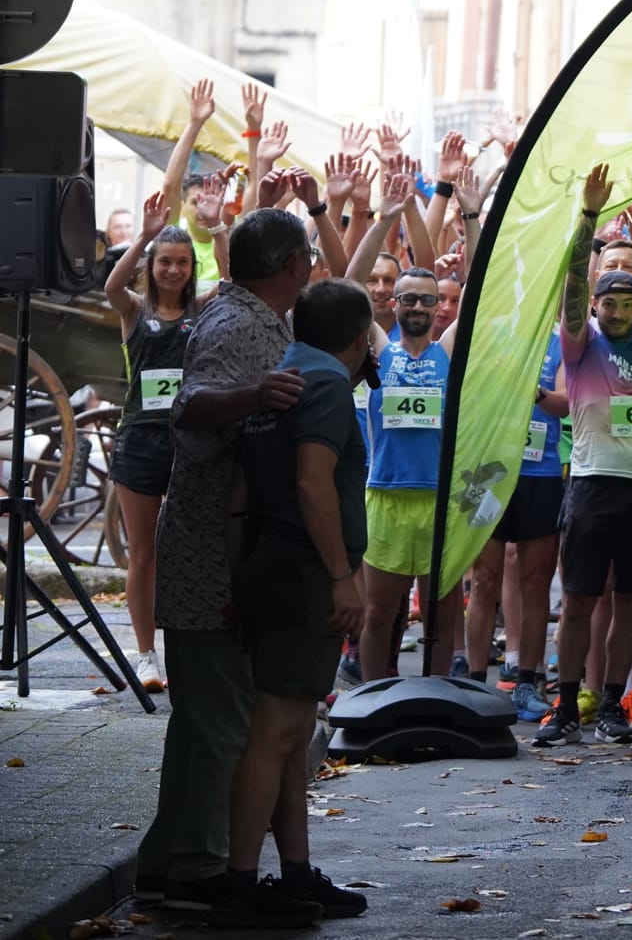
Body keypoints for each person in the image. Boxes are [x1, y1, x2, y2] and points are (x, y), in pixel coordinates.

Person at [138, 205, 313, 914]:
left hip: (215, 546)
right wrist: (255, 394)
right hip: (209, 552)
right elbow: (192, 405)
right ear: (289, 265)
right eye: (305, 254)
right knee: (222, 722)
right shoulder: (240, 322)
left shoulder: (246, 313)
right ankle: (200, 870)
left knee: (204, 717)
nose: (310, 265)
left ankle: (165, 861)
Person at [223, 278, 375, 925]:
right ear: (361, 335)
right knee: (277, 730)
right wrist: (343, 576)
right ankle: (239, 883)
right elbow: (314, 483)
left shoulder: (288, 366)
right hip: (303, 570)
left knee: (287, 732)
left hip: (273, 562)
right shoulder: (328, 383)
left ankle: (294, 873)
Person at [544, 165, 632, 748]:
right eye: (606, 301)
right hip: (591, 485)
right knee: (579, 601)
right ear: (594, 307)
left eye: (626, 302)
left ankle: (616, 702)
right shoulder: (581, 343)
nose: (615, 310)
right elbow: (570, 291)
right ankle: (566, 706)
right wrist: (588, 219)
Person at [344, 168, 482, 681]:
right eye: (410, 299)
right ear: (394, 305)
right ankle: (376, 693)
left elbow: (480, 283)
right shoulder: (379, 349)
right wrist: (384, 218)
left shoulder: (449, 350)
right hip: (384, 496)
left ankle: (439, 693)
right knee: (379, 612)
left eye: (428, 299)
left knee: (445, 614)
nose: (420, 306)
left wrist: (469, 213)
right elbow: (351, 282)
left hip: (440, 499)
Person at [103, 190, 204, 692]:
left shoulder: (203, 310)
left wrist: (219, 228)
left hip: (189, 443)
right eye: (165, 261)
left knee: (189, 549)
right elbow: (111, 285)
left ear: (191, 267)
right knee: (142, 553)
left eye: (182, 262)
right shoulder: (135, 310)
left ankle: (190, 650)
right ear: (153, 265)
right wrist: (143, 233)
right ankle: (146, 656)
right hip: (139, 441)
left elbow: (233, 285)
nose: (173, 270)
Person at [466, 325, 563, 719]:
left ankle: (526, 681)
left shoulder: (559, 342)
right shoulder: (489, 331)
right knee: (484, 579)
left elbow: (566, 402)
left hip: (540, 475)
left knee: (535, 583)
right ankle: (473, 684)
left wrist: (533, 390)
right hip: (489, 473)